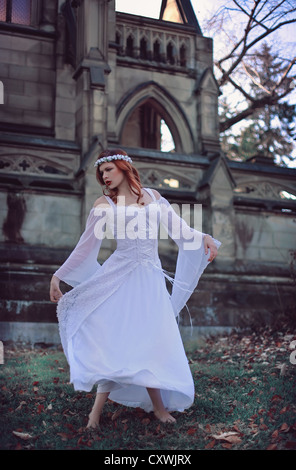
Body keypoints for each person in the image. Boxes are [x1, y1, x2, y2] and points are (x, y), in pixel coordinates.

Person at [50, 149, 221, 429]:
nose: (104, 176)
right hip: (119, 277)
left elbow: (180, 230)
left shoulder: (153, 197)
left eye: (109, 169)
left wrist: (205, 239)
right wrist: (58, 276)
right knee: (118, 340)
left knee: (149, 339)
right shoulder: (104, 204)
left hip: (149, 280)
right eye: (101, 172)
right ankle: (95, 415)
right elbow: (85, 247)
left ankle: (157, 408)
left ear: (123, 167)